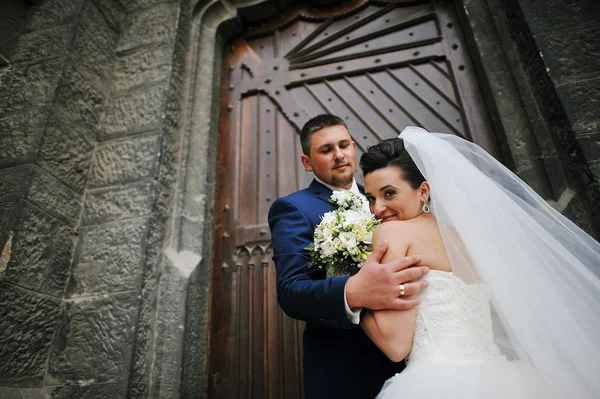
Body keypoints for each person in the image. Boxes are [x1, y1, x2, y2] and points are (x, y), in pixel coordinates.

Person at [359, 126, 600, 398]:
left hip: (437, 383)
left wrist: (356, 293)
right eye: (370, 198)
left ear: (423, 191)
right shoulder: (466, 241)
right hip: (504, 379)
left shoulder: (392, 233)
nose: (377, 209)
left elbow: (395, 345)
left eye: (389, 193)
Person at [268, 115, 429, 399]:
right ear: (307, 162)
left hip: (420, 358)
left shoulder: (393, 192)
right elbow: (290, 291)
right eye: (326, 149)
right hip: (350, 366)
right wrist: (352, 292)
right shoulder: (293, 208)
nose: (339, 155)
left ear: (354, 147)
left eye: (344, 145)